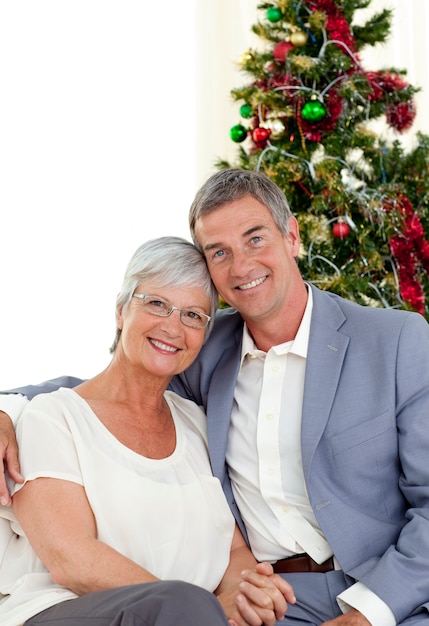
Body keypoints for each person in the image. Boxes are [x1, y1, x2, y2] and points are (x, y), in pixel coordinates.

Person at [1, 168, 429, 625]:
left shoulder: (396, 341)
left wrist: (367, 615)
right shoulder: (201, 345)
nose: (241, 266)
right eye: (219, 252)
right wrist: (6, 409)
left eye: (255, 239)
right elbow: (110, 389)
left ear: (292, 236)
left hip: (388, 593)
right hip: (273, 601)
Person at [0, 235, 293, 626]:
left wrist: (240, 595)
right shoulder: (54, 418)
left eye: (193, 316)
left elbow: (235, 551)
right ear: (121, 311)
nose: (173, 327)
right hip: (65, 613)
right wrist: (197, 610)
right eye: (157, 304)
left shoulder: (199, 424)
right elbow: (71, 560)